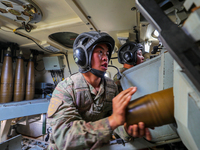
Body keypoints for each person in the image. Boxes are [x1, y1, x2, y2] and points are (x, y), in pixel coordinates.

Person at [47, 31, 151, 150]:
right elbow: (65, 138)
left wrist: (127, 130)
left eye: (107, 53)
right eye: (100, 52)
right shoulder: (65, 88)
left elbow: (116, 122)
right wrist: (112, 121)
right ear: (82, 56)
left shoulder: (111, 87)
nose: (105, 57)